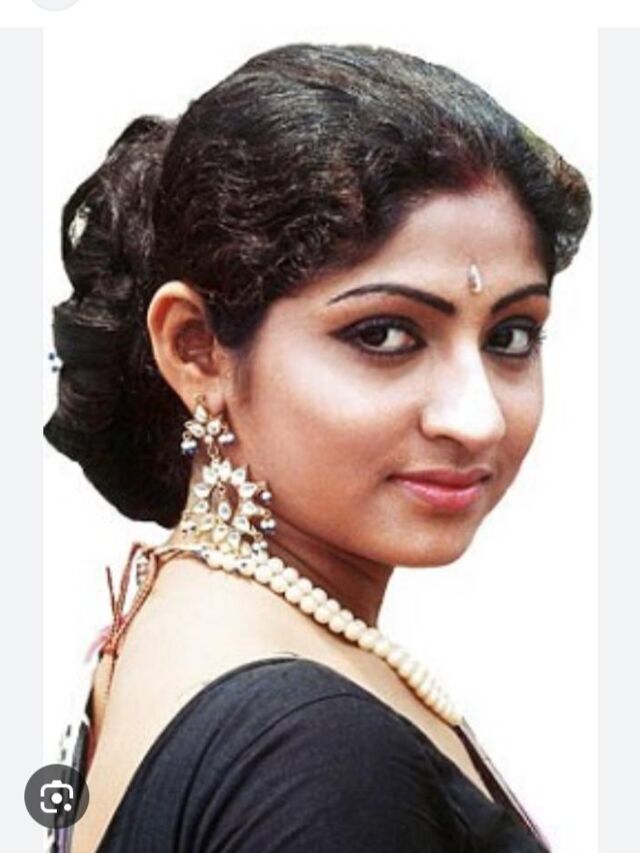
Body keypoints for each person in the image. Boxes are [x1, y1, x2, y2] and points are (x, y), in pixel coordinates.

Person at [44, 42, 591, 852]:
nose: (477, 419)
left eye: (511, 335)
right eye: (384, 334)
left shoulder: (168, 617)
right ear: (196, 349)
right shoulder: (320, 756)